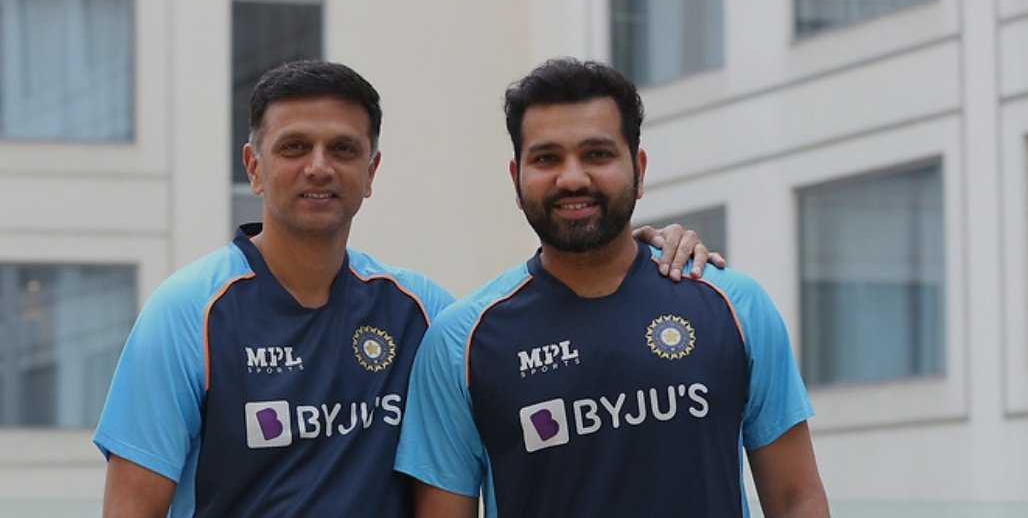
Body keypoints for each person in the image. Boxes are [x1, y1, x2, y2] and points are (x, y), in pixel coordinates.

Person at [92, 59, 722, 517]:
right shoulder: (187, 313)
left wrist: (638, 253)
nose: (319, 166)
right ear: (254, 167)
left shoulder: (422, 313)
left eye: (343, 149)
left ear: (371, 171)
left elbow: (536, 309)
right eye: (294, 147)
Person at [394, 58, 830, 517]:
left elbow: (795, 500)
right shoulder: (460, 341)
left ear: (638, 169)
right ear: (516, 180)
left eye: (597, 155)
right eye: (546, 158)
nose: (572, 178)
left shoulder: (734, 304)